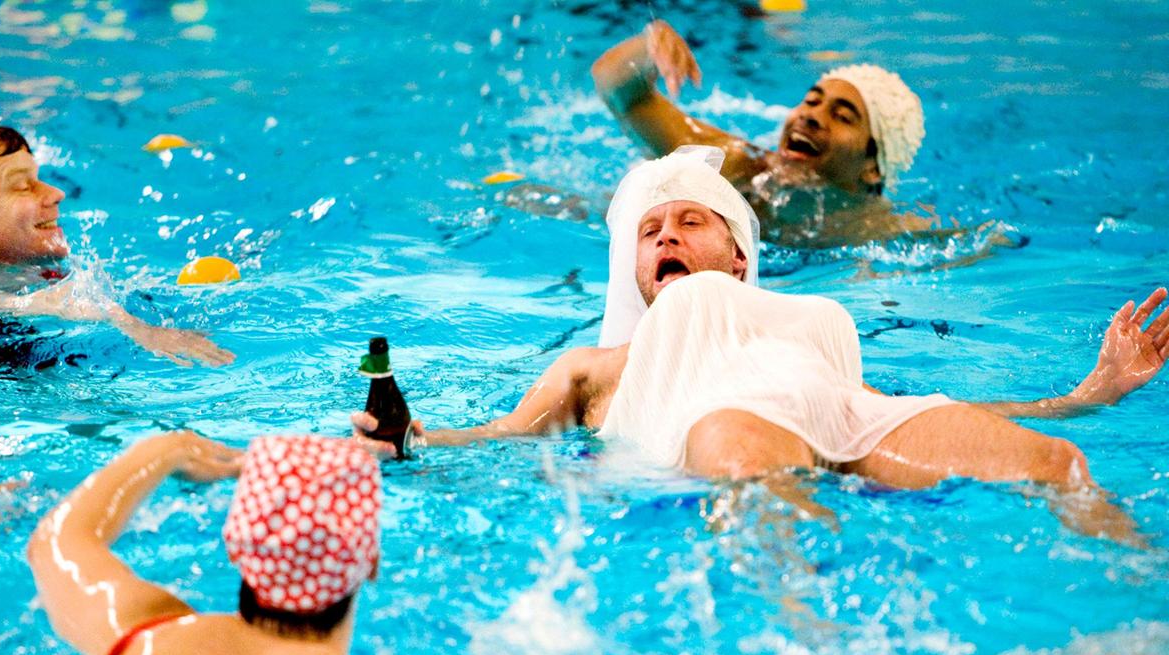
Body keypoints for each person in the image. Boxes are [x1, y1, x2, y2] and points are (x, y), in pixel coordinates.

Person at [353, 149, 1168, 546]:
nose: (666, 234)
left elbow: (893, 405)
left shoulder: (793, 319)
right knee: (759, 480)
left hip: (853, 416)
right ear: (633, 272)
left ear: (739, 256)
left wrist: (1088, 396)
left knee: (1057, 463)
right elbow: (499, 442)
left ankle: (1141, 615)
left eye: (690, 222)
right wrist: (410, 437)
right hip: (726, 428)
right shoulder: (596, 369)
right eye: (649, 232)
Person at [27, 431, 402, 655]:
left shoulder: (143, 636)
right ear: (370, 563)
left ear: (236, 550)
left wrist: (168, 449)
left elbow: (55, 542)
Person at [591, 19, 987, 250]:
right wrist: (649, 46)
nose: (812, 117)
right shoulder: (737, 166)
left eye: (843, 116)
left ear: (872, 167)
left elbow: (981, 246)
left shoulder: (877, 232)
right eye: (812, 101)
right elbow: (621, 92)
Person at [0, 109, 233, 367]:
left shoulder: (28, 270)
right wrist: (136, 328)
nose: (56, 193)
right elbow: (3, 306)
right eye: (22, 185)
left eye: (39, 178)